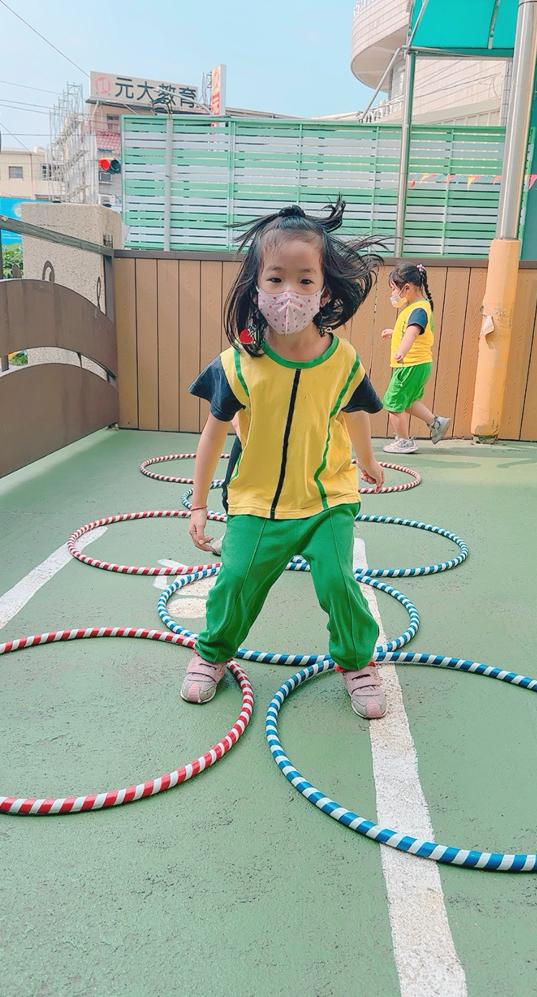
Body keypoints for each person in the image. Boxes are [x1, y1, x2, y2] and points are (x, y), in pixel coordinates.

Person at [181, 199, 389, 719]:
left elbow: (354, 412)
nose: (288, 293)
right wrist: (198, 503)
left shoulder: (343, 359)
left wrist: (367, 461)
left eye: (304, 280)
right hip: (257, 502)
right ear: (255, 285)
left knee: (338, 582)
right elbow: (212, 434)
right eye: (275, 279)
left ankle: (356, 662)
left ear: (325, 289)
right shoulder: (238, 363)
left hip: (326, 498)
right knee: (235, 581)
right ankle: (212, 653)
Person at [380, 261, 451, 455]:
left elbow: (412, 333)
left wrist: (401, 351)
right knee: (408, 401)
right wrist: (394, 333)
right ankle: (436, 423)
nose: (392, 294)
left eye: (394, 289)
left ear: (407, 288)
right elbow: (412, 331)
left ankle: (404, 441)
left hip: (411, 364)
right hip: (420, 364)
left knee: (393, 403)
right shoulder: (417, 306)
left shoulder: (418, 309)